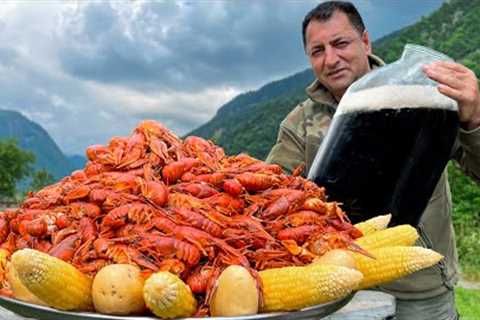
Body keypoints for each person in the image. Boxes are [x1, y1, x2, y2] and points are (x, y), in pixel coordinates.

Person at [266, 1, 480, 320]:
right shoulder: (299, 124)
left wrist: (474, 120)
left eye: (341, 43)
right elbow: (270, 197)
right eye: (318, 50)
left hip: (419, 290)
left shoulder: (425, 95)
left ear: (365, 41)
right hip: (338, 290)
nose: (331, 59)